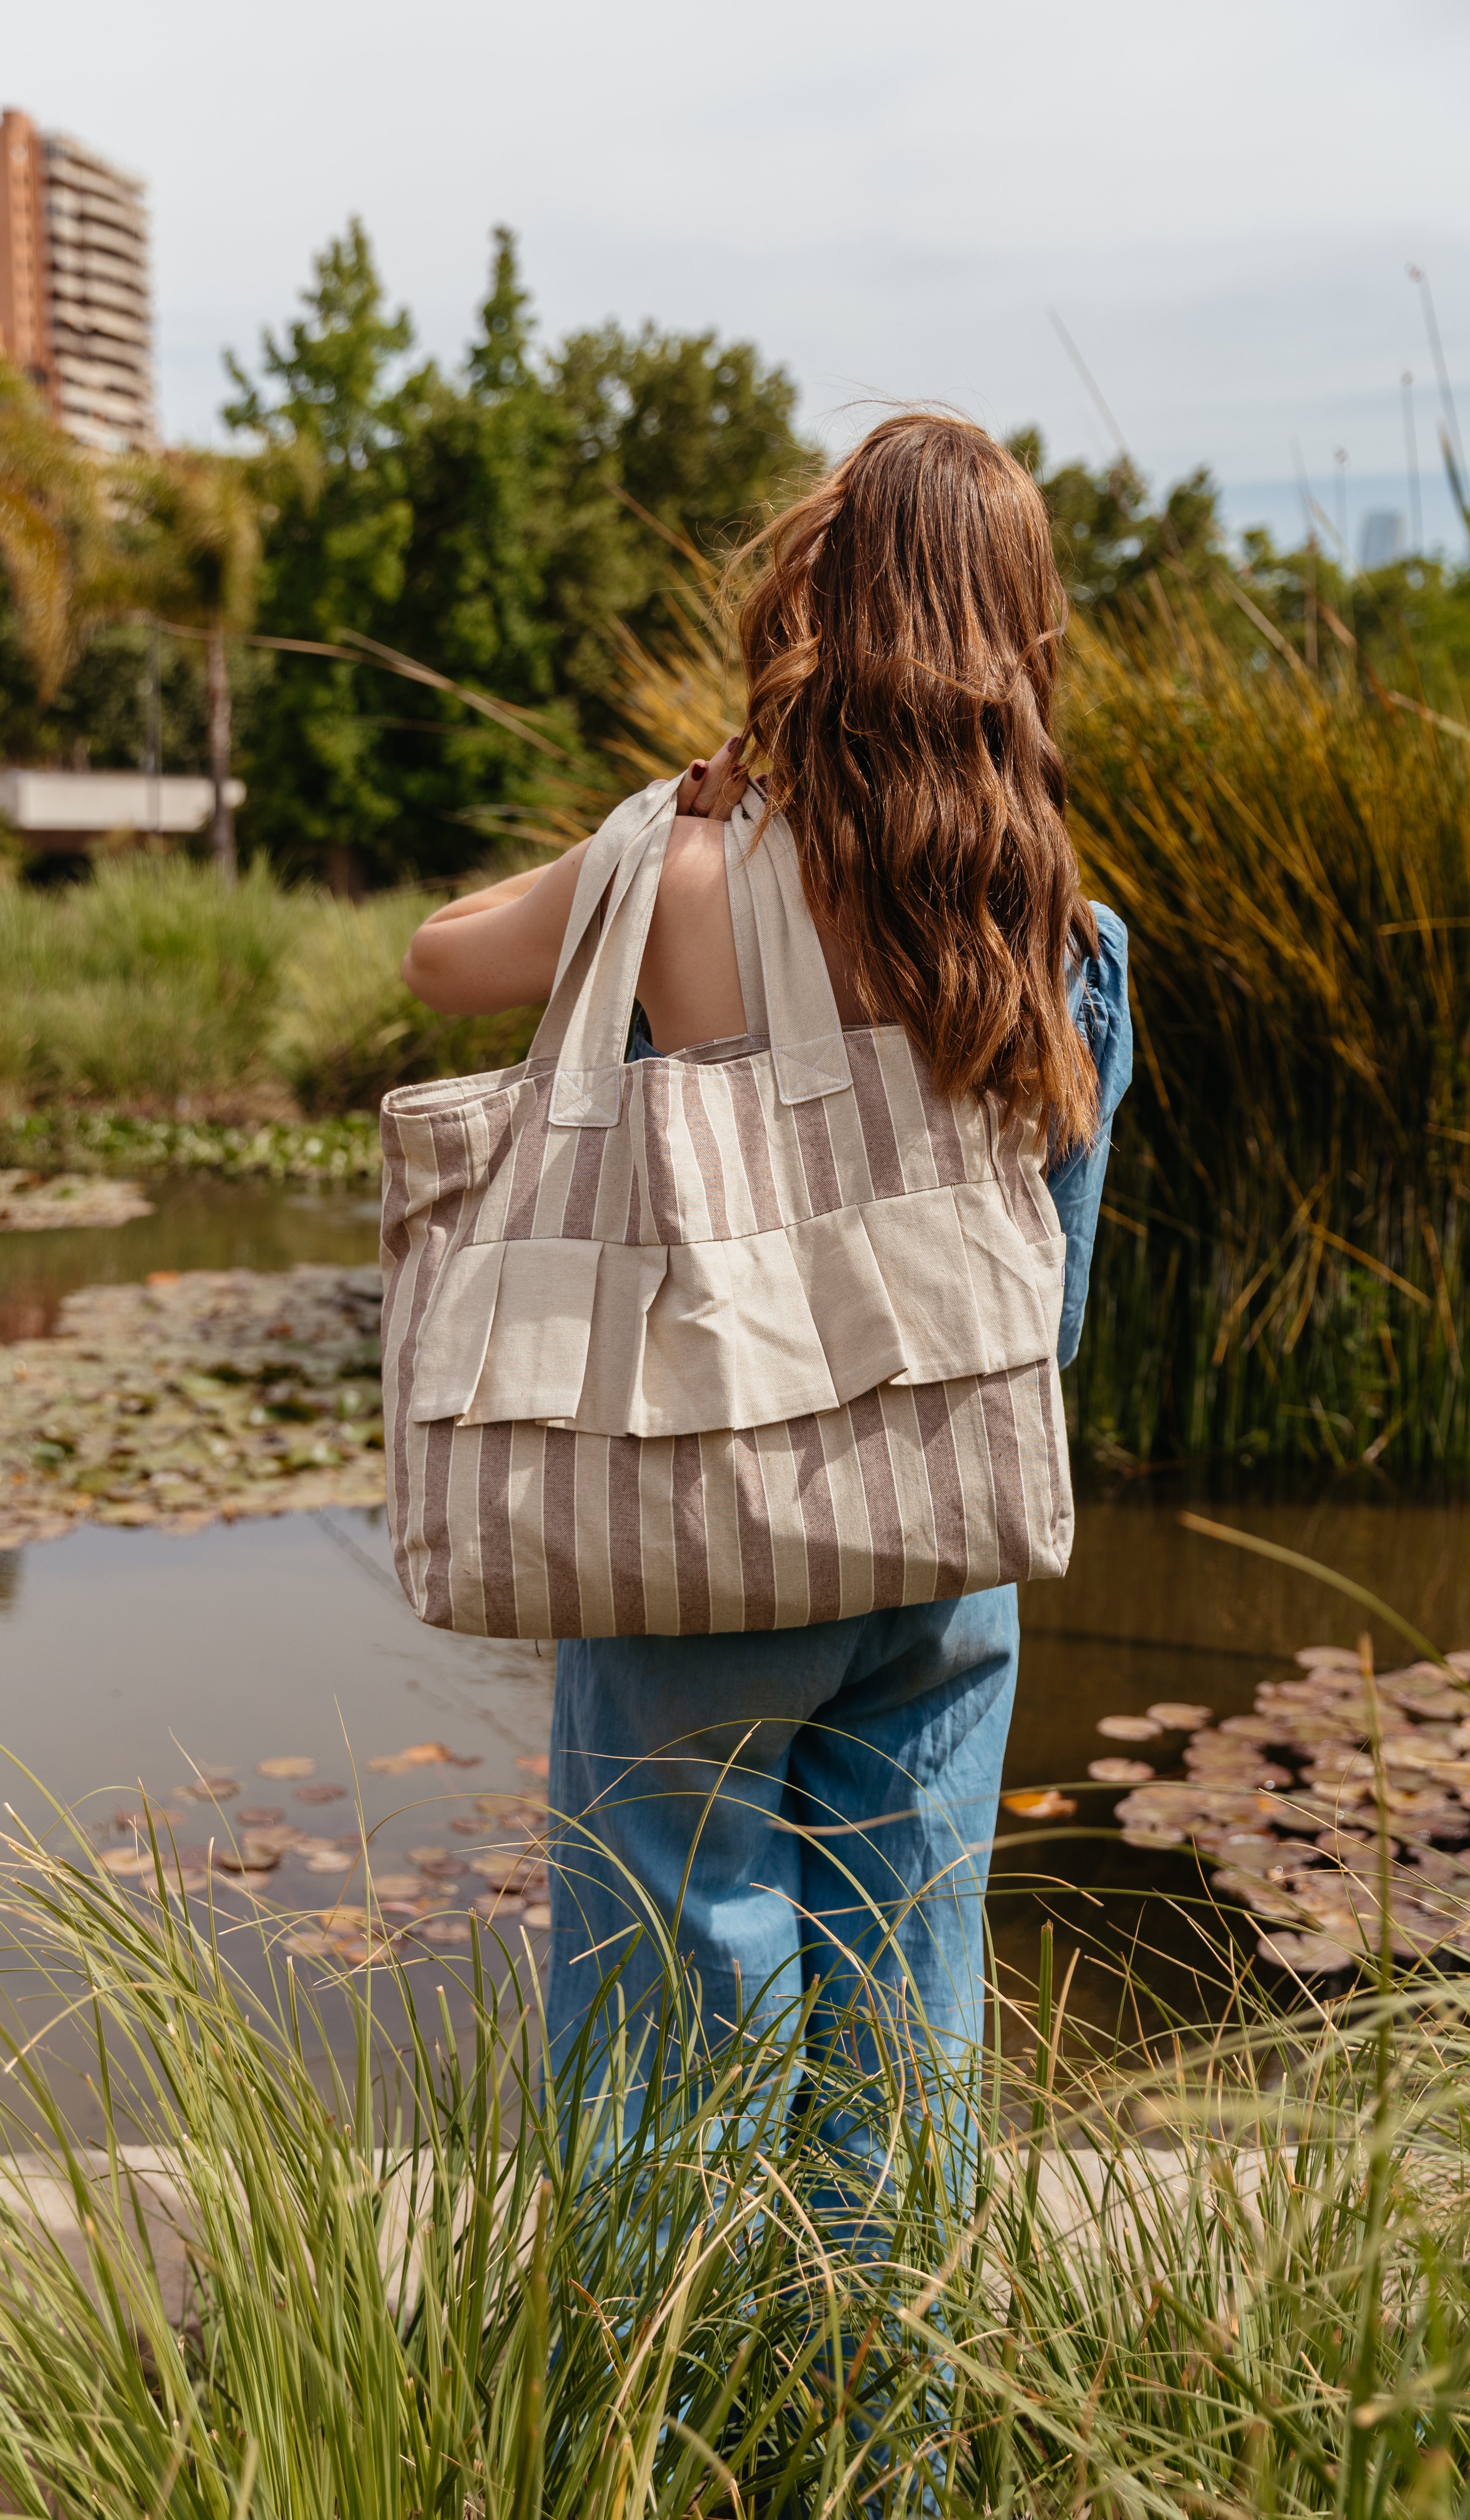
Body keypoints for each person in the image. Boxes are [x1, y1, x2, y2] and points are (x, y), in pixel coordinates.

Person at [401, 413, 1131, 2171]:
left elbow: (437, 960)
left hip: (700, 1543)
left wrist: (659, 818)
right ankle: (897, 2442)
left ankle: (670, 2435)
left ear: (831, 610)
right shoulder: (1069, 940)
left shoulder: (688, 870)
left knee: (668, 2036)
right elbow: (1056, 1307)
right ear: (1016, 646)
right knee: (907, 2035)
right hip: (947, 1548)